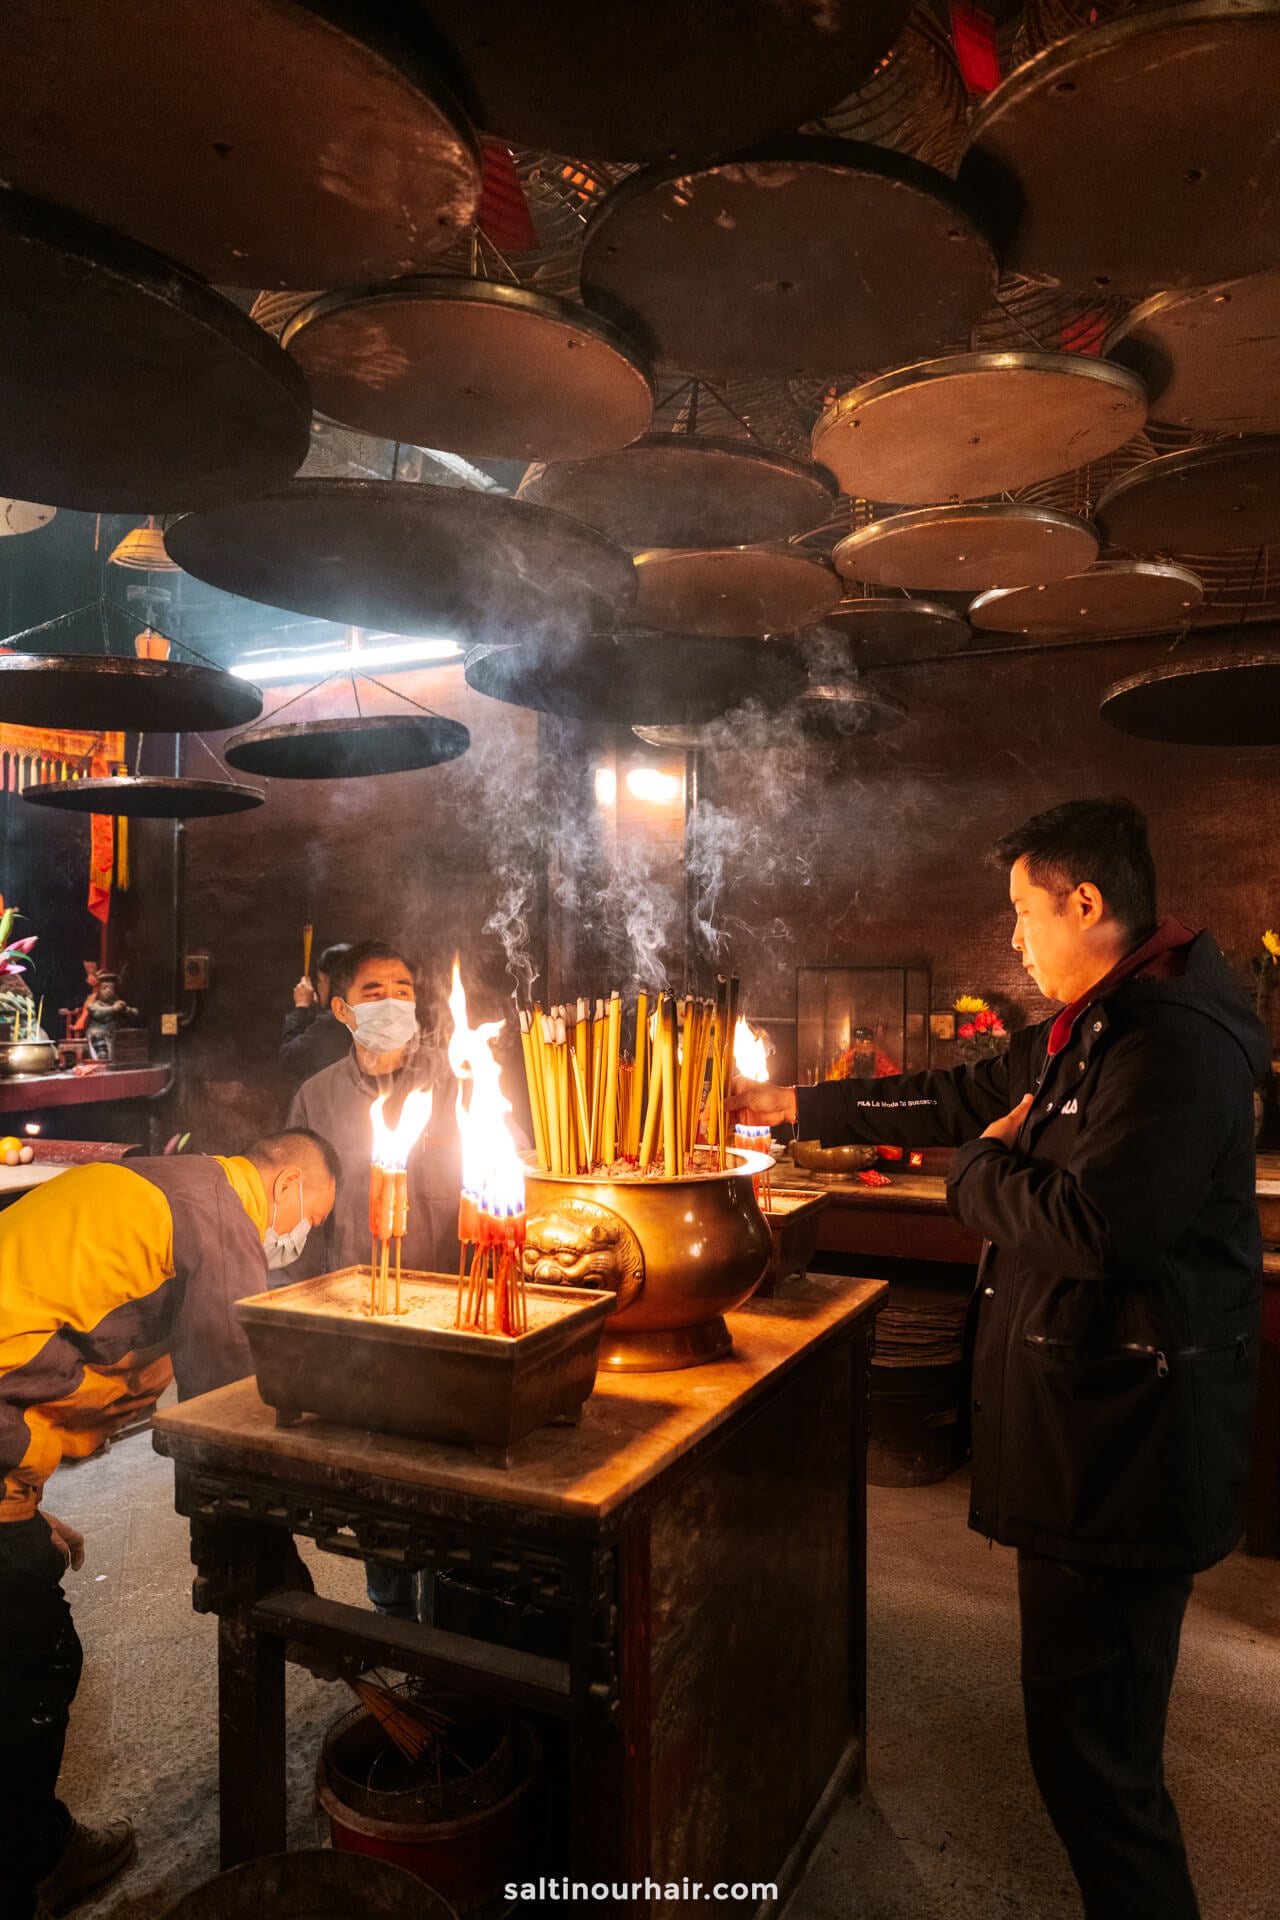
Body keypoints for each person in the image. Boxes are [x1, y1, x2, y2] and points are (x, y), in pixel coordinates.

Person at [733, 798, 1266, 1920]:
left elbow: (1096, 1230)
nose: (1013, 941)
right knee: (1085, 1743)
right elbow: (967, 1088)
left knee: (1098, 1764)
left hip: (1125, 1450)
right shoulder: (1099, 1021)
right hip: (1094, 1429)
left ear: (1085, 902)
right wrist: (793, 1110)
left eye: (1023, 913)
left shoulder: (1167, 1041)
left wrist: (976, 1170)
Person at [0, 1129, 339, 1920]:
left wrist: (21, 1502)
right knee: (30, 1659)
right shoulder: (219, 1217)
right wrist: (284, 1589)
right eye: (307, 1220)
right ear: (285, 1185)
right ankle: (28, 1867)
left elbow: (46, 1330)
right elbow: (228, 1429)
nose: (292, 1244)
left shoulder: (166, 1180)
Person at [285, 940, 463, 1621]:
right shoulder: (318, 1095)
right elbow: (299, 1213)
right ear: (339, 1009)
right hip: (357, 1310)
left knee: (446, 1471)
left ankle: (451, 1613)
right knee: (377, 1472)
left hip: (449, 1308)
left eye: (403, 988)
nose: (393, 1002)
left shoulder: (455, 1081)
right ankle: (392, 1611)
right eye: (373, 991)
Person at [279, 940, 353, 1084]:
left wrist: (301, 1007)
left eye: (319, 981)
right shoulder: (360, 1011)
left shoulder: (334, 1020)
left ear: (327, 980)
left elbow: (290, 1057)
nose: (318, 987)